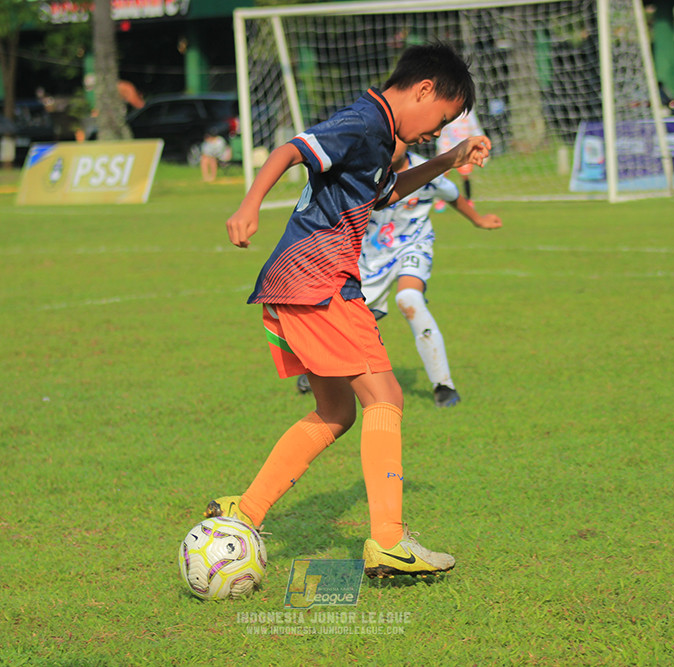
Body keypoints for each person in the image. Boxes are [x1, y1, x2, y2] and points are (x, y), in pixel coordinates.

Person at [208, 43, 491, 579]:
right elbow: (291, 150)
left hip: (297, 284)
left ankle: (242, 512)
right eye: (444, 118)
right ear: (424, 89)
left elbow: (383, 194)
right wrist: (248, 206)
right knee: (385, 396)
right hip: (321, 284)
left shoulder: (381, 135)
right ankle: (388, 541)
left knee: (337, 414)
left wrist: (448, 161)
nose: (440, 128)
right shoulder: (364, 122)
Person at [354, 141, 502, 408]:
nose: (393, 145)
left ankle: (443, 385)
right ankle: (319, 373)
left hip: (414, 245)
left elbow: (452, 193)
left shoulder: (427, 170)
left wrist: (477, 219)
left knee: (409, 299)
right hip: (372, 257)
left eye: (399, 139)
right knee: (350, 321)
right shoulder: (365, 171)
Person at [435, 110, 483, 210]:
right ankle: (441, 200)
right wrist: (440, 146)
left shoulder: (468, 113)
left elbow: (474, 127)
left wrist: (480, 142)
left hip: (463, 144)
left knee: (465, 174)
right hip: (447, 144)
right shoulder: (447, 109)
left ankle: (468, 199)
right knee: (443, 174)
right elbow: (442, 130)